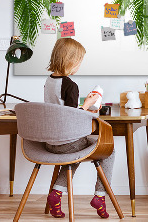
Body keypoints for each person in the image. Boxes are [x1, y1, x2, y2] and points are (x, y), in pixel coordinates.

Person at [44, 38, 114, 219]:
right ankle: (100, 196)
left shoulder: (49, 81)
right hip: (67, 142)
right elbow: (72, 117)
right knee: (109, 150)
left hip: (50, 142)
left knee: (74, 153)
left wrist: (84, 105)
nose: (79, 65)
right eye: (79, 61)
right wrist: (89, 104)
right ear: (71, 61)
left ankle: (56, 194)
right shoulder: (70, 85)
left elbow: (61, 110)